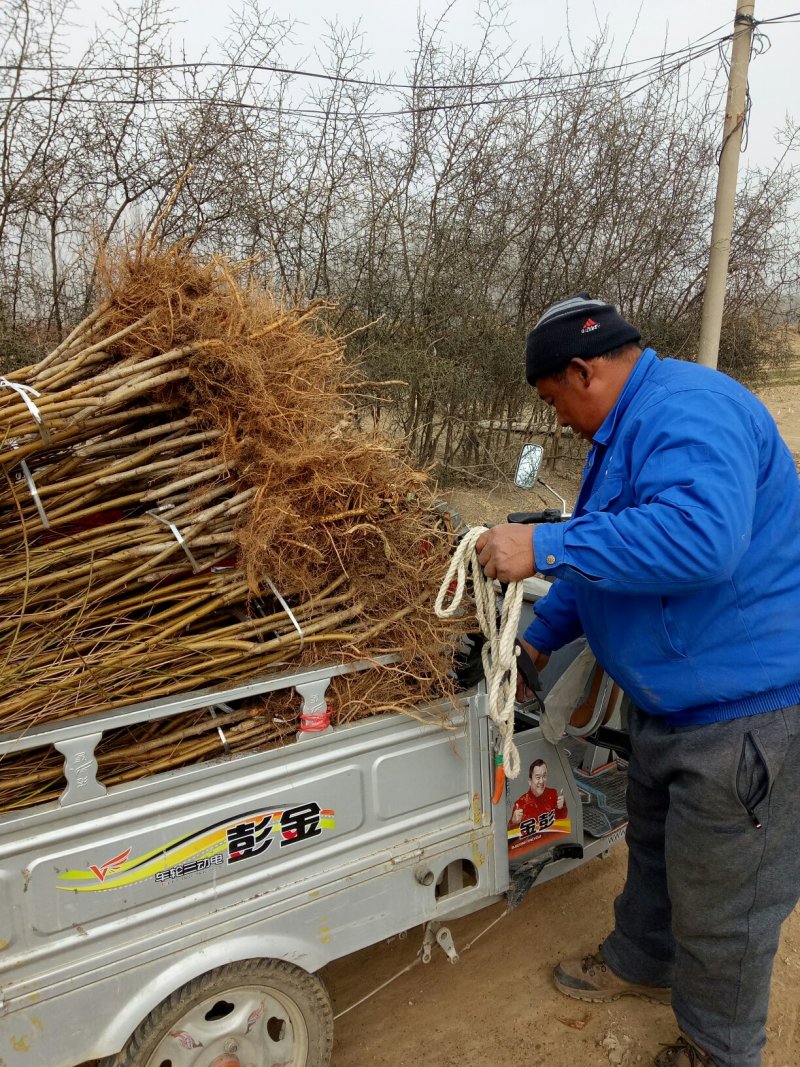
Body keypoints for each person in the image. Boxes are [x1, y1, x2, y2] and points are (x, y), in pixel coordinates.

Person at [475, 293, 800, 1067]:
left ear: (585, 371)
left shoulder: (689, 411)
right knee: (655, 850)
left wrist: (543, 543)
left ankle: (720, 1048)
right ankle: (643, 960)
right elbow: (607, 562)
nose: (558, 420)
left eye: (556, 400)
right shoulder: (623, 432)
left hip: (743, 717)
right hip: (672, 708)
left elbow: (702, 541)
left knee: (728, 899)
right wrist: (539, 645)